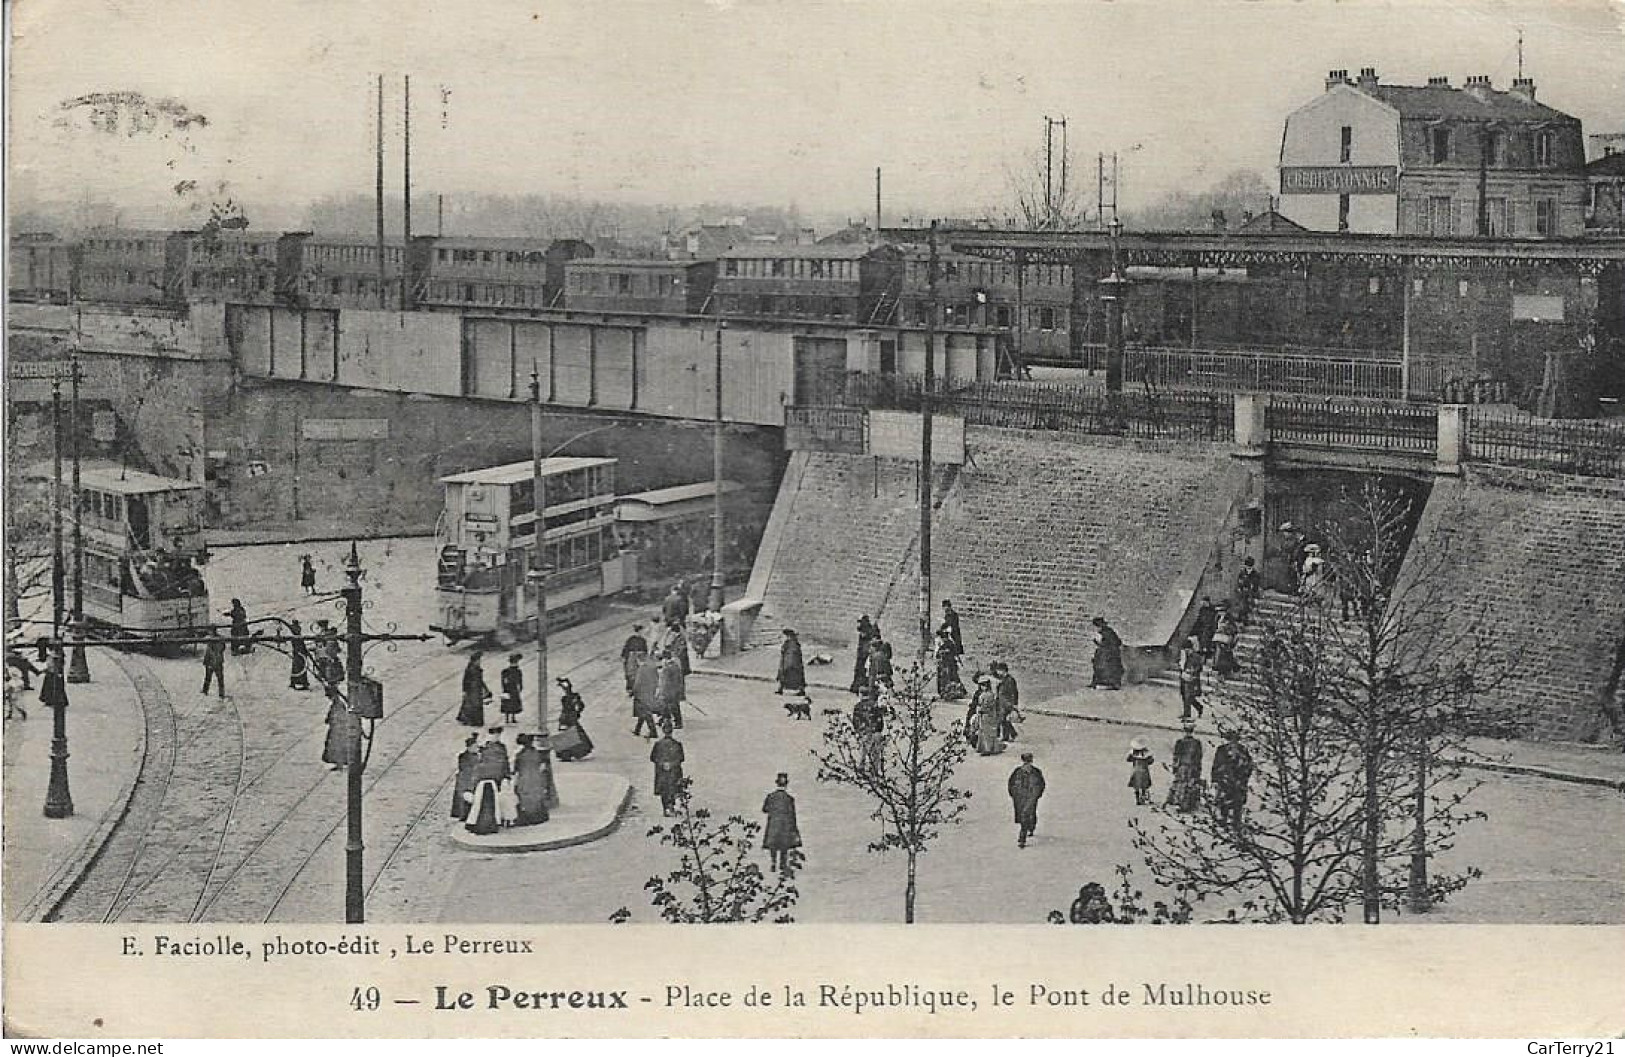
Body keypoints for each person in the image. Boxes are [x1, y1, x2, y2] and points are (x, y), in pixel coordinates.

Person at [466, 727, 513, 835]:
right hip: (489, 780)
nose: (496, 737)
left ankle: (503, 819)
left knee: (503, 799)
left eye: (498, 735)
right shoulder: (485, 749)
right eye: (494, 735)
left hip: (499, 778)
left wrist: (507, 775)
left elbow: (505, 763)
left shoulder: (502, 747)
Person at [1211, 728, 1254, 829]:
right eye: (1231, 739)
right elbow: (1216, 764)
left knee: (1237, 803)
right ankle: (1223, 820)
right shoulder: (1222, 750)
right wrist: (1215, 779)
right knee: (1223, 801)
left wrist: (1243, 778)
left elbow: (1249, 765)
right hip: (1225, 781)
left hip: (1239, 782)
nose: (1232, 741)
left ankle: (1236, 822)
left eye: (1234, 739)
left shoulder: (1242, 750)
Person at [761, 773, 802, 873]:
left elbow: (764, 809)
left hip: (773, 825)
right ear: (786, 785)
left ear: (777, 784)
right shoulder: (789, 799)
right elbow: (793, 816)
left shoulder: (771, 796)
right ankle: (782, 864)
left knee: (773, 845)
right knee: (784, 845)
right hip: (785, 826)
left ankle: (773, 862)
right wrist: (795, 830)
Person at [1007, 752, 1046, 849]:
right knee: (1025, 814)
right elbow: (1011, 784)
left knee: (1026, 814)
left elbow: (1041, 784)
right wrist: (1013, 794)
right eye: (1026, 762)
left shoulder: (1036, 772)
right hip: (1020, 797)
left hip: (1031, 797)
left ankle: (1022, 838)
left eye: (1028, 762)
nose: (1027, 764)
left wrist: (1037, 795)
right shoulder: (1017, 772)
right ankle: (1030, 826)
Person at [512, 733, 551, 826]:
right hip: (536, 778)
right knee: (536, 797)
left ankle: (527, 817)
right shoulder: (536, 753)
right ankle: (538, 816)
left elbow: (516, 769)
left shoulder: (520, 755)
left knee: (525, 797)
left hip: (524, 779)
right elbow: (543, 766)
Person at [1166, 721, 1204, 814]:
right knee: (1191, 783)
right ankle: (1190, 803)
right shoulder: (1196, 743)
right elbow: (1199, 756)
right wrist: (1199, 768)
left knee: (1181, 784)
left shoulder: (1180, 742)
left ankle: (1180, 802)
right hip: (1192, 767)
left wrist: (1175, 767)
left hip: (1182, 767)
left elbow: (1176, 756)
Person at [555, 677, 594, 762]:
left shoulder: (572, 697)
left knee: (570, 735)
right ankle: (567, 753)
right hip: (567, 717)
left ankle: (568, 753)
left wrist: (576, 712)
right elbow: (580, 706)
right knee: (569, 735)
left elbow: (580, 706)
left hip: (568, 717)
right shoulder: (569, 697)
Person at [650, 730, 686, 816]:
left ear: (663, 731)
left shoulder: (658, 744)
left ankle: (666, 808)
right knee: (673, 789)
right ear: (671, 732)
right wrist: (672, 764)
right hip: (674, 771)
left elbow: (653, 758)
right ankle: (671, 807)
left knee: (664, 790)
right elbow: (681, 758)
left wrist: (663, 764)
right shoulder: (677, 744)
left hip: (662, 772)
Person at [631, 652, 661, 739]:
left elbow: (637, 682)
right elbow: (657, 678)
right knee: (643, 711)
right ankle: (637, 729)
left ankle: (653, 732)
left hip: (642, 693)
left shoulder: (642, 668)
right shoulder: (652, 666)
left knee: (646, 712)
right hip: (650, 691)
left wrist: (634, 691)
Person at [1089, 616, 1124, 690]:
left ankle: (1111, 684)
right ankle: (1097, 682)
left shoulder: (1108, 632)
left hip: (1111, 653)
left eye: (1096, 626)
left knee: (1106, 666)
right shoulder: (1102, 632)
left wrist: (1100, 643)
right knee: (1097, 663)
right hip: (1105, 652)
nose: (1096, 629)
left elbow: (1115, 643)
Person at [322, 696, 356, 770]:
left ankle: (340, 763)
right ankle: (339, 763)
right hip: (337, 728)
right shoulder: (338, 702)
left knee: (338, 746)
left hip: (338, 730)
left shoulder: (340, 703)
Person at [451, 733, 479, 820]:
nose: (477, 748)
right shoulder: (464, 757)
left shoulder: (475, 756)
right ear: (469, 747)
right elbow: (466, 770)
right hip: (465, 781)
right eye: (475, 747)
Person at [458, 651, 490, 727]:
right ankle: (472, 721)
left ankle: (472, 720)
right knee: (472, 705)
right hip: (472, 689)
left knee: (473, 705)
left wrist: (486, 689)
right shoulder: (470, 669)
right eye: (478, 660)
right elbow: (465, 680)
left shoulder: (476, 668)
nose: (479, 662)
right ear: (474, 661)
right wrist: (465, 690)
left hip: (476, 689)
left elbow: (480, 680)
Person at [657, 649, 686, 731]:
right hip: (674, 690)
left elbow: (665, 682)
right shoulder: (674, 666)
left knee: (672, 707)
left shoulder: (668, 668)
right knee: (668, 706)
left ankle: (677, 722)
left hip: (669, 691)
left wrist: (661, 691)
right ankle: (664, 720)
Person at [1177, 635, 1204, 720]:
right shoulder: (1184, 655)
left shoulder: (1196, 656)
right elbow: (1181, 664)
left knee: (1188, 696)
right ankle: (1199, 707)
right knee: (1185, 695)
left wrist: (1192, 671)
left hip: (1192, 679)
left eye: (1188, 649)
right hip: (1184, 677)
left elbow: (1199, 668)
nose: (1187, 651)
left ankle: (1187, 714)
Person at [935, 629, 966, 701]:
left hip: (950, 664)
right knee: (943, 678)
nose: (944, 639)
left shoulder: (951, 644)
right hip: (943, 664)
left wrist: (958, 662)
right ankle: (943, 692)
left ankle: (954, 692)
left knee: (952, 677)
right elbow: (938, 654)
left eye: (944, 637)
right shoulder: (942, 645)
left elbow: (955, 654)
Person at [994, 661, 1021, 742]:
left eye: (999, 670)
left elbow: (1014, 692)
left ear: (1003, 670)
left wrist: (1015, 704)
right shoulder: (1002, 679)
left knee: (1004, 719)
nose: (997, 672)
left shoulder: (1010, 680)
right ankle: (1008, 735)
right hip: (1002, 702)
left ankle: (1011, 734)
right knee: (1003, 719)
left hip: (1008, 703)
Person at [850, 615, 878, 694]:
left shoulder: (868, 631)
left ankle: (859, 686)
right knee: (860, 670)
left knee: (861, 669)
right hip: (862, 653)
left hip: (864, 653)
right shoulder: (869, 630)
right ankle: (858, 686)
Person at [975, 683, 1004, 757]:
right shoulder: (990, 694)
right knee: (988, 732)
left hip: (986, 715)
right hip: (989, 715)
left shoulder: (987, 695)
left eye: (983, 685)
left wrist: (980, 709)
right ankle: (989, 748)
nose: (982, 687)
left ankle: (987, 749)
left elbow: (986, 706)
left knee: (986, 732)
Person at [776, 628, 807, 698]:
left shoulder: (792, 644)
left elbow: (791, 654)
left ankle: (801, 690)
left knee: (793, 676)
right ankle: (780, 689)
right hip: (789, 662)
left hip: (791, 663)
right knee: (786, 676)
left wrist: (788, 664)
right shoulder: (790, 643)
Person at [621, 623, 649, 695]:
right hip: (632, 658)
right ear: (639, 631)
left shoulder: (642, 640)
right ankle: (631, 689)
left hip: (638, 658)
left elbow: (645, 651)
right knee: (631, 674)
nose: (642, 633)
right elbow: (626, 649)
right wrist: (624, 657)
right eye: (641, 631)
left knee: (637, 673)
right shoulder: (632, 639)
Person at [1126, 736, 1155, 806]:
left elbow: (1128, 759)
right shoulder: (1147, 753)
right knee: (1144, 786)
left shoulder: (1133, 753)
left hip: (1135, 771)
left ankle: (1137, 799)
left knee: (1136, 786)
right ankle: (1143, 798)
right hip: (1144, 771)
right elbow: (1151, 761)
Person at [1211, 610, 1239, 679]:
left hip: (1226, 643)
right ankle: (1221, 672)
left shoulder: (1231, 626)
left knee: (1225, 657)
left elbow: (1234, 634)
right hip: (1221, 643)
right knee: (1219, 656)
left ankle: (1225, 672)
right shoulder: (1219, 621)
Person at [1234, 557, 1261, 625]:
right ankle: (1240, 619)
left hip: (1251, 594)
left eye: (1250, 567)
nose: (1248, 569)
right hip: (1242, 593)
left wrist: (1255, 597)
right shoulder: (1242, 573)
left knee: (1250, 605)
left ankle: (1248, 620)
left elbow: (1256, 587)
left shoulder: (1256, 574)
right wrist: (1240, 588)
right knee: (1240, 605)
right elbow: (1239, 583)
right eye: (1247, 567)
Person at [201, 627, 227, 698]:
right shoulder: (217, 638)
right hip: (214, 661)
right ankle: (206, 691)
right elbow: (223, 647)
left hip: (213, 661)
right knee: (212, 677)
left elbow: (222, 648)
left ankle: (219, 693)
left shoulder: (213, 639)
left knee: (216, 678)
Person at [500, 652, 524, 724]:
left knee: (507, 702)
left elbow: (503, 681)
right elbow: (519, 681)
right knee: (513, 702)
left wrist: (504, 687)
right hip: (513, 689)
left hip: (507, 688)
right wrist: (520, 687)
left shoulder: (505, 671)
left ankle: (507, 718)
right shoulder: (518, 671)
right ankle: (512, 718)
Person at [288, 619, 310, 691]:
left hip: (299, 654)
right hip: (298, 653)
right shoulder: (295, 634)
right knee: (297, 669)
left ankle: (303, 684)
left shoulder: (296, 633)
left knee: (299, 668)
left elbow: (300, 644)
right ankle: (295, 683)